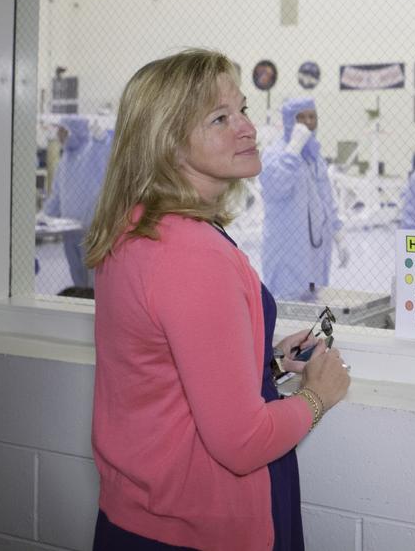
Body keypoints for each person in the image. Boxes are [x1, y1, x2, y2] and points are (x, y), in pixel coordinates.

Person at [85, 49, 351, 550]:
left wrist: (267, 365)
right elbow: (242, 443)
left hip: (138, 519)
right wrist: (318, 394)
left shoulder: (135, 229)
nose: (248, 128)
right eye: (220, 118)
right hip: (200, 528)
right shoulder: (193, 254)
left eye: (244, 110)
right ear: (168, 144)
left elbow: (161, 371)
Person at [260, 97, 344, 300]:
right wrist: (293, 150)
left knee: (312, 308)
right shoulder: (274, 154)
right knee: (285, 307)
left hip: (315, 253)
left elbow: (326, 199)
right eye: (301, 117)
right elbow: (275, 188)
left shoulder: (316, 158)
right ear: (289, 120)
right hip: (286, 251)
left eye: (312, 117)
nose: (308, 122)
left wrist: (338, 233)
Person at [40, 114, 110, 289]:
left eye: (63, 130)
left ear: (75, 131)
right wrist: (45, 216)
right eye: (59, 131)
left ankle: (95, 311)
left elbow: (107, 149)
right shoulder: (64, 161)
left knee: (96, 278)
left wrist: (102, 136)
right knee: (77, 277)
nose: (59, 135)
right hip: (69, 232)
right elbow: (57, 195)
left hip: (92, 230)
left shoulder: (92, 151)